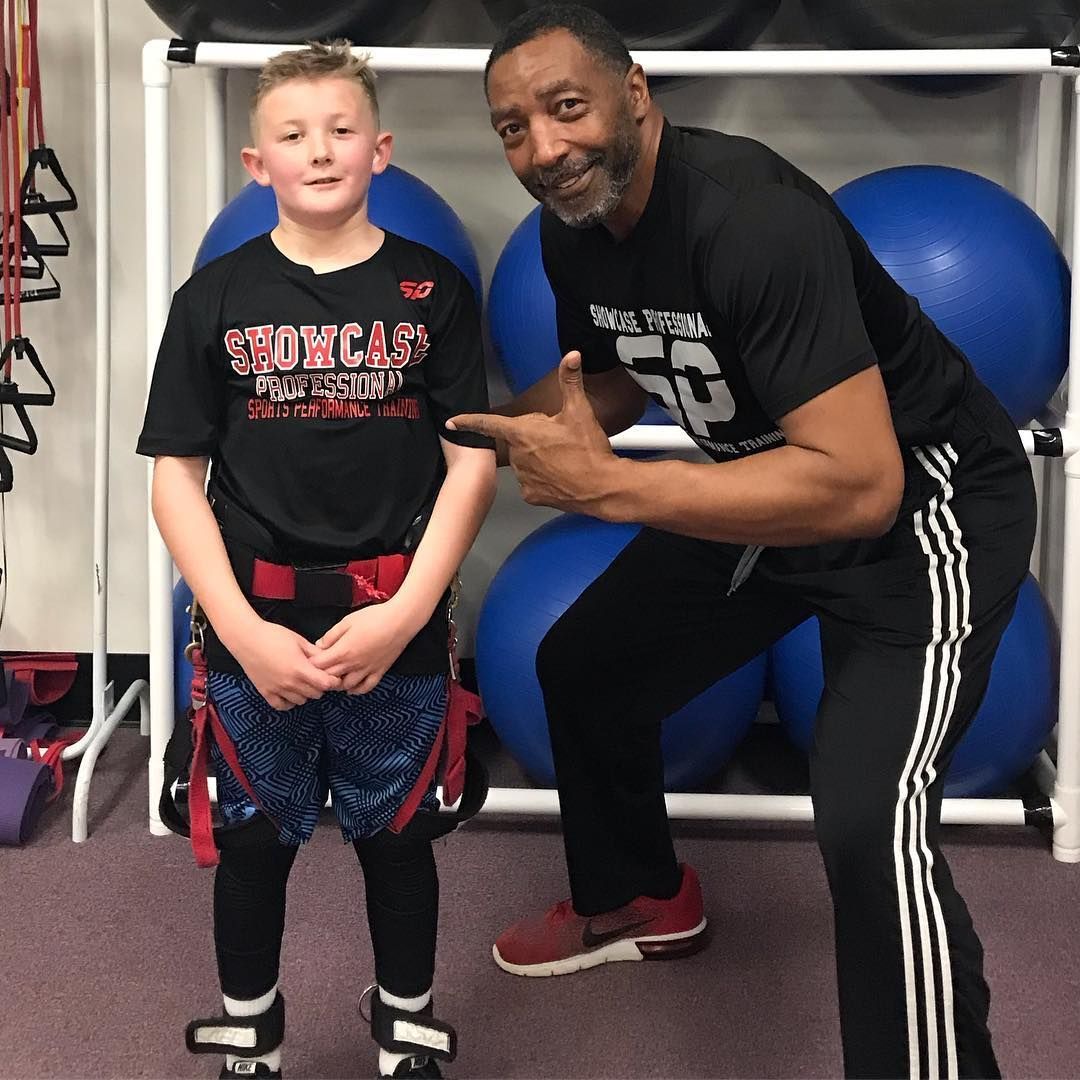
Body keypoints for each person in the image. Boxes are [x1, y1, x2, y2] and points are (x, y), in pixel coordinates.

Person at [449, 5, 1036, 1077]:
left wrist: (617, 490)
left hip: (924, 511)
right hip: (777, 481)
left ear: (635, 93)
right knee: (585, 666)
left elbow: (861, 486)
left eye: (565, 107)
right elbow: (616, 379)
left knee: (868, 825)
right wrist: (460, 437)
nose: (543, 148)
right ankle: (637, 900)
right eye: (513, 129)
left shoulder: (748, 218)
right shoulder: (573, 231)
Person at [137, 41, 496, 1080]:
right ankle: (252, 1035)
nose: (321, 151)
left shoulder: (436, 294)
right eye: (294, 135)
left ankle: (406, 1032)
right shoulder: (215, 297)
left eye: (342, 130)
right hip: (258, 624)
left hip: (400, 620)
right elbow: (175, 479)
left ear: (381, 149)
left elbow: (471, 466)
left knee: (398, 840)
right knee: (254, 841)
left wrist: (407, 612)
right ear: (258, 165)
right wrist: (244, 633)